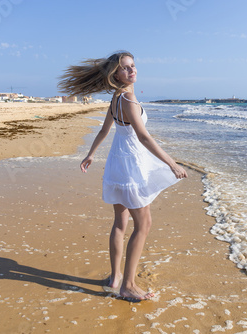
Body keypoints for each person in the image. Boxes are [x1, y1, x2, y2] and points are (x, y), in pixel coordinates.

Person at [58, 51, 187, 301]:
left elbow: (105, 131)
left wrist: (91, 154)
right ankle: (127, 285)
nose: (132, 71)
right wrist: (172, 163)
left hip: (118, 163)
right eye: (125, 68)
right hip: (131, 165)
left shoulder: (116, 99)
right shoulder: (127, 100)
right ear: (115, 74)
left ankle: (115, 277)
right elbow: (143, 137)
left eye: (133, 66)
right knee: (144, 224)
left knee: (120, 223)